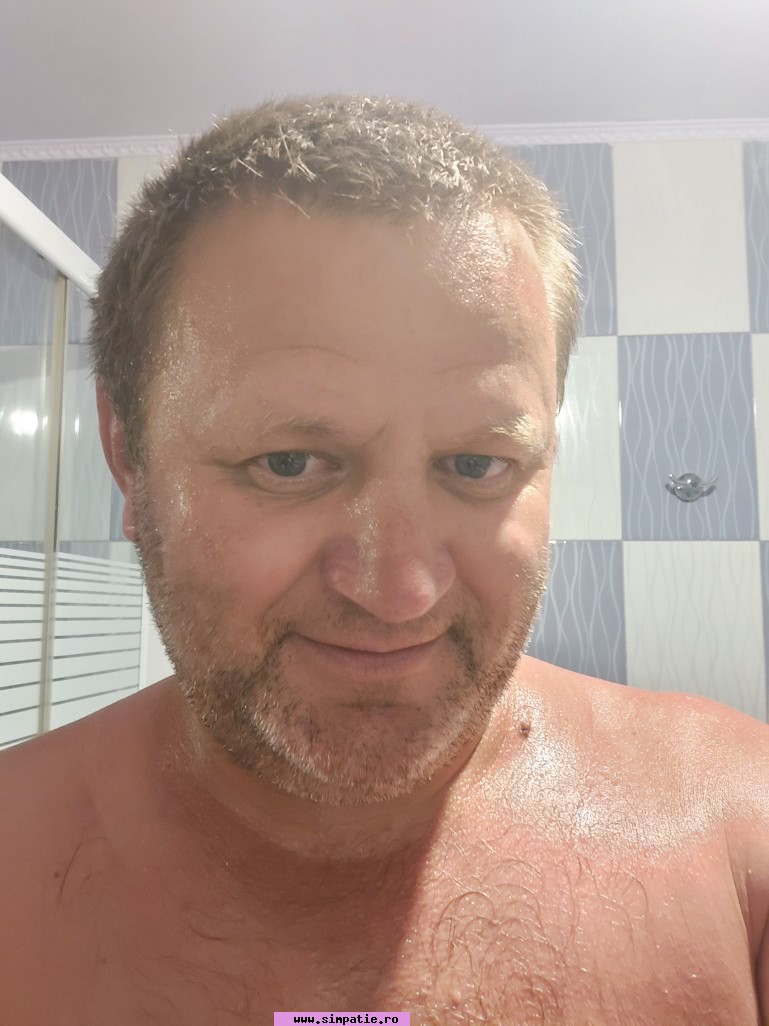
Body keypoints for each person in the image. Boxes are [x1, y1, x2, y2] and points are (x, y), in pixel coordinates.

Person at [1, 94, 768, 1026]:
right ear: (129, 455)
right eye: (289, 463)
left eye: (476, 465)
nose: (399, 591)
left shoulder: (740, 830)